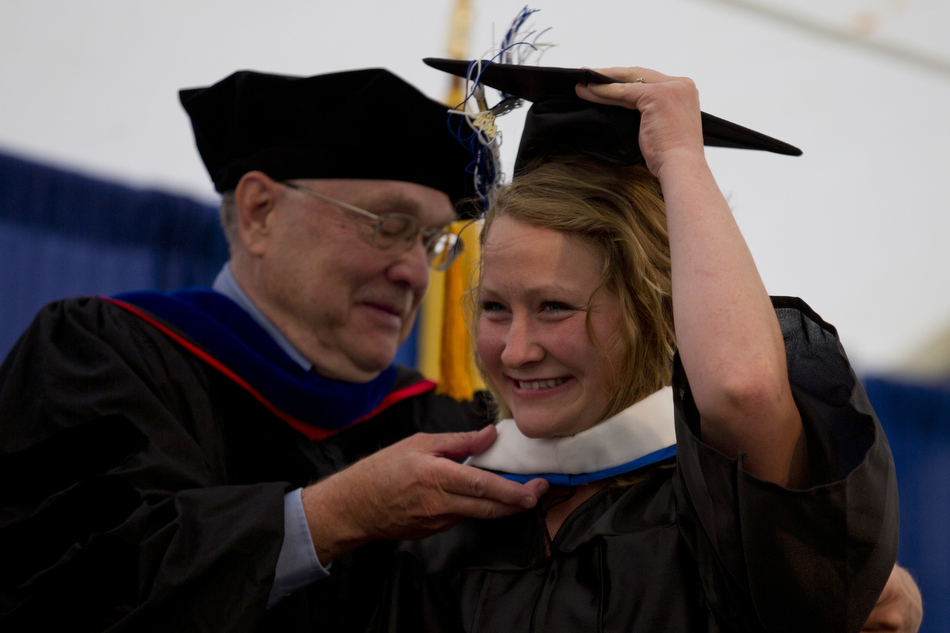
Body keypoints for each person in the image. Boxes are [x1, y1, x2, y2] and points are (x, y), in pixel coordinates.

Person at [0, 68, 547, 631]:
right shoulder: (94, 359)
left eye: (432, 242)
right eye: (388, 225)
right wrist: (335, 516)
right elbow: (67, 589)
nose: (415, 273)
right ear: (259, 212)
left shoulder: (437, 422)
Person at [367, 61, 903, 632]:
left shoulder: (726, 516)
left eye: (555, 308)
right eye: (496, 307)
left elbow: (741, 389)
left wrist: (681, 159)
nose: (516, 351)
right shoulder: (450, 519)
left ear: (654, 309)